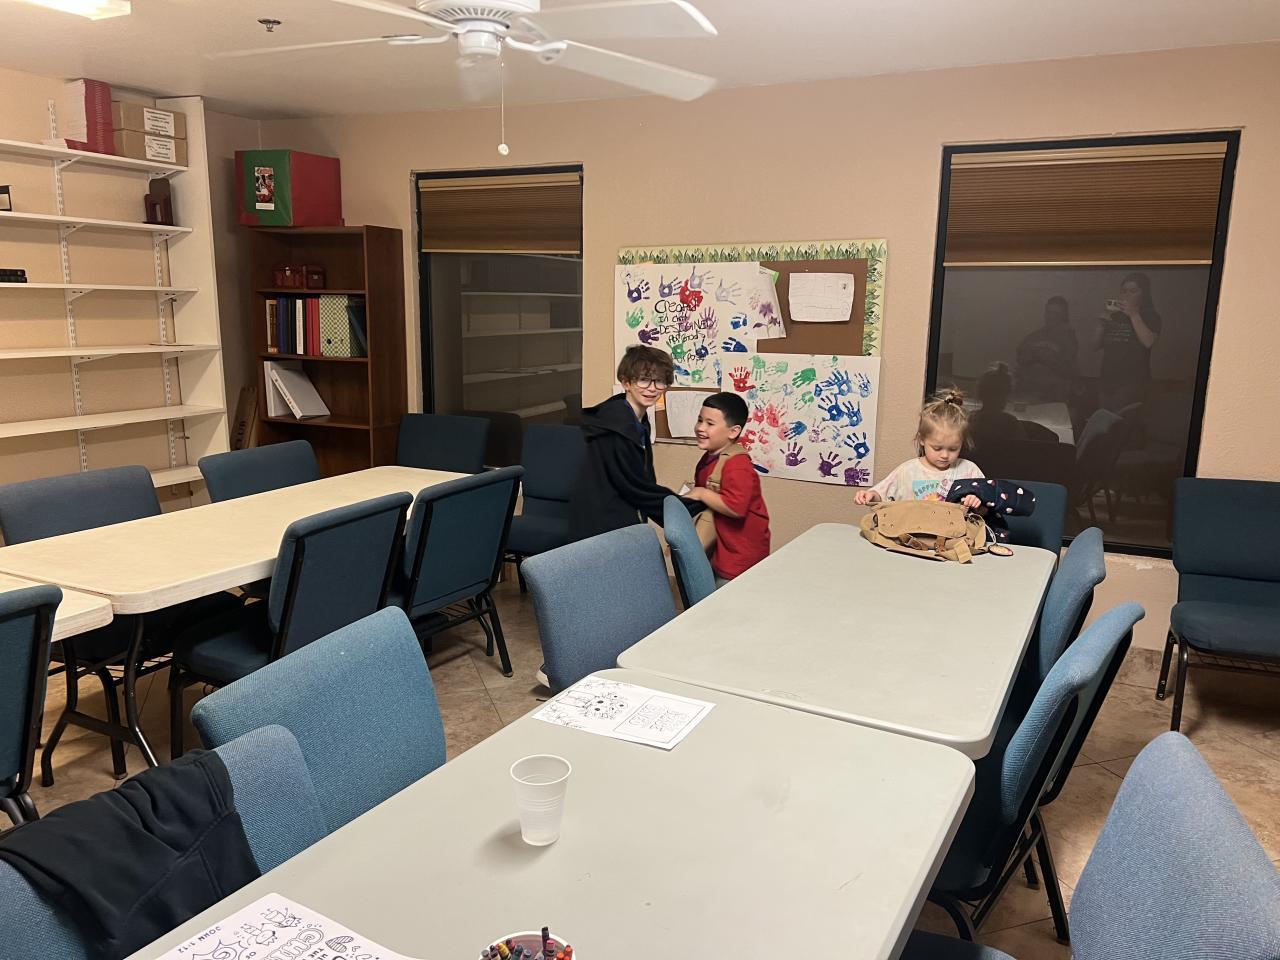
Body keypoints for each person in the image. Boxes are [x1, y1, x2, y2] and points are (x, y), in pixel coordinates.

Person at [567, 344, 685, 543]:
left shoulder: (636, 420)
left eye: (659, 381)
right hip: (600, 525)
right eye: (644, 380)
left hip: (618, 516)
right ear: (626, 382)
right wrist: (691, 505)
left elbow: (645, 480)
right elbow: (636, 488)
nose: (652, 388)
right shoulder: (616, 427)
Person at [685, 392, 771, 583]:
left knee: (728, 597)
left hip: (740, 556)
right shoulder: (710, 458)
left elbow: (736, 508)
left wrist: (701, 493)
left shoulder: (737, 465)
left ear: (733, 431)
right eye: (700, 420)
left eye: (710, 423)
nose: (700, 428)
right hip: (719, 548)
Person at [854, 389, 985, 506]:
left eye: (953, 449)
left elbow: (987, 507)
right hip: (912, 526)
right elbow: (881, 495)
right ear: (922, 439)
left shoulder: (970, 471)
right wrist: (870, 496)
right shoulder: (907, 471)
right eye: (937, 448)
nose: (945, 455)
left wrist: (977, 502)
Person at [1096, 272, 1162, 412]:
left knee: (1121, 421)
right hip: (1107, 380)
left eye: (1133, 291)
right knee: (1103, 420)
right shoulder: (1114, 315)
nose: (1127, 295)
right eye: (1124, 291)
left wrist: (1133, 314)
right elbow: (1095, 346)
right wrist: (1101, 325)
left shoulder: (1151, 316)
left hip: (1133, 382)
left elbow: (1148, 342)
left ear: (1143, 293)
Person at [1015, 295, 1078, 402]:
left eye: (1056, 313)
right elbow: (1020, 358)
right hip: (1029, 394)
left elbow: (1068, 370)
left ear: (1064, 316)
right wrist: (1034, 356)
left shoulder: (1069, 339)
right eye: (1048, 312)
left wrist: (1044, 358)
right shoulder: (1034, 336)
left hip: (1054, 396)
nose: (1051, 316)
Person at [969, 361, 1024, 448]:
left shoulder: (970, 420)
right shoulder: (1011, 424)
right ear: (1006, 395)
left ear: (980, 394)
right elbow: (1023, 449)